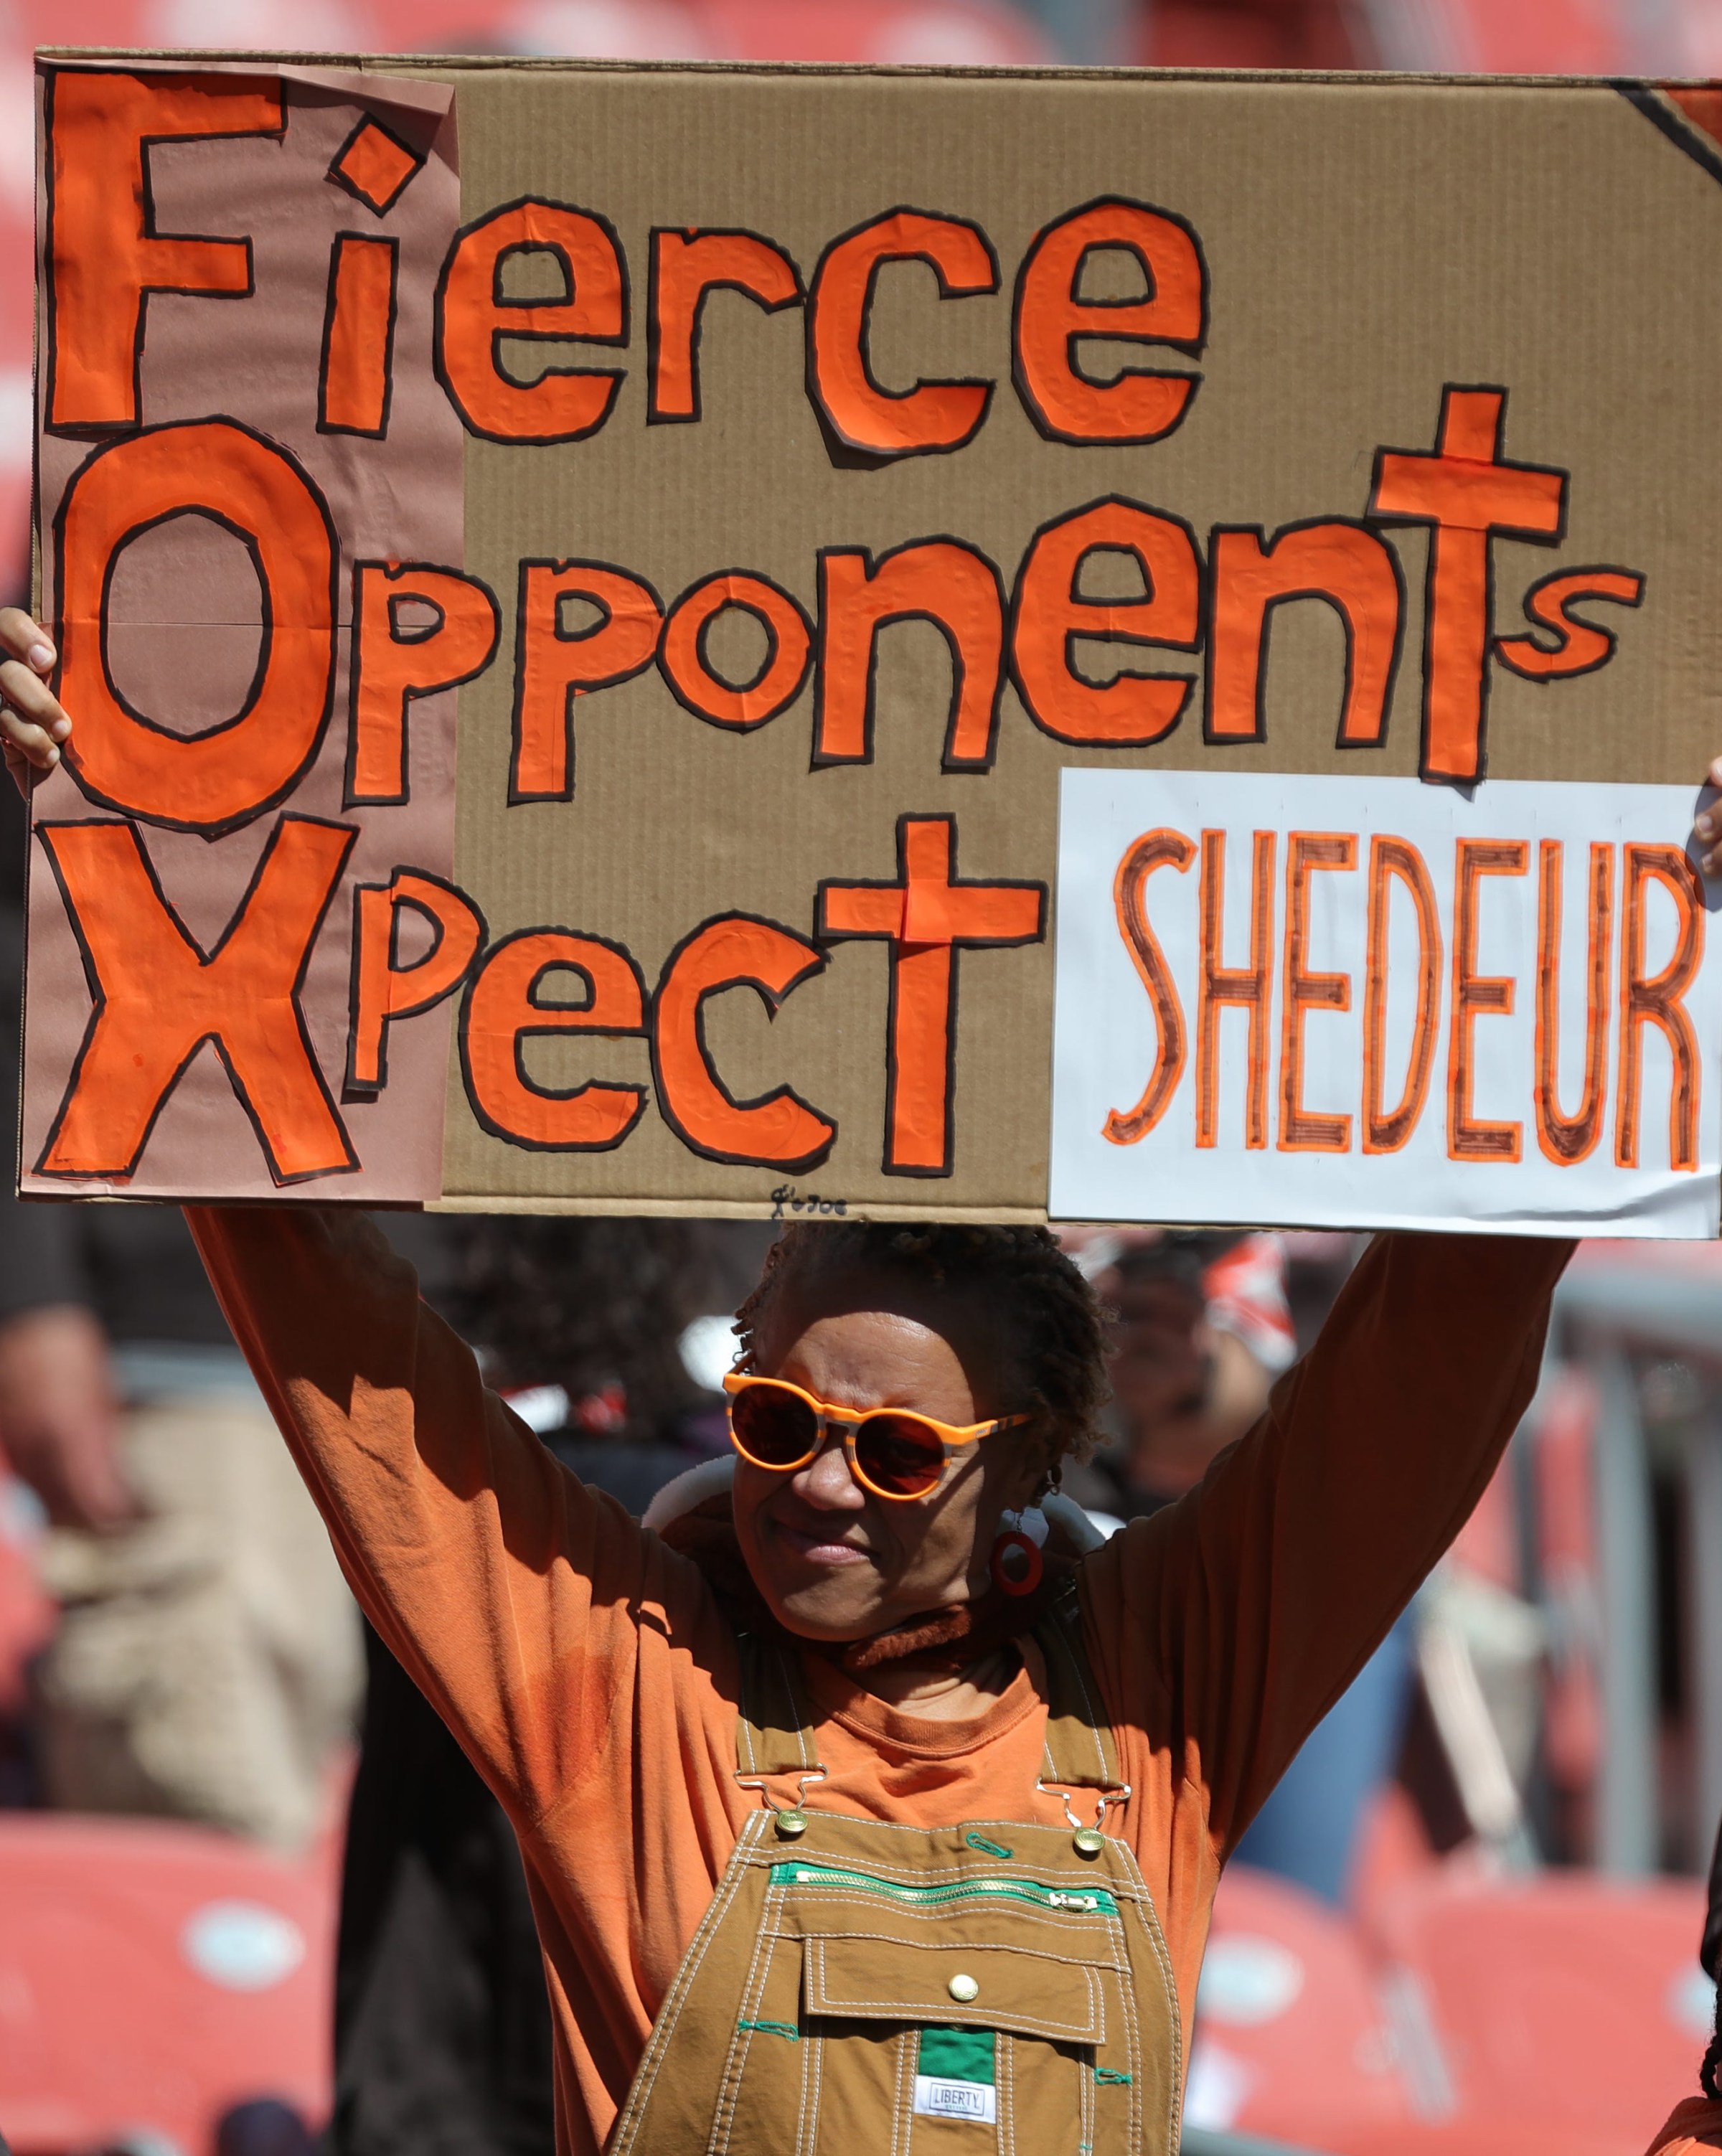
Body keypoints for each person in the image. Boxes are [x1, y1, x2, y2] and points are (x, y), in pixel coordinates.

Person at [0, 612, 1578, 2154]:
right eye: (778, 1418)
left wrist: (1658, 907)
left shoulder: (1167, 1687)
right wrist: (144, 866)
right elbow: (333, 1321)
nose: (818, 1482)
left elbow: (1448, 1324)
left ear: (1026, 1462)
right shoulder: (619, 1684)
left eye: (897, 1449)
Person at [1067, 1229, 1416, 1904]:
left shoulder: (1226, 1210)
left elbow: (1247, 1418)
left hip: (1284, 1564)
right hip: (1015, 1572)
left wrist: (1178, 1376)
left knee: (1278, 1926)